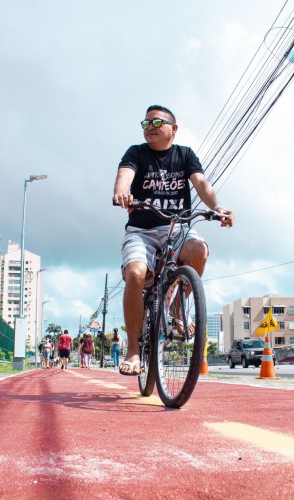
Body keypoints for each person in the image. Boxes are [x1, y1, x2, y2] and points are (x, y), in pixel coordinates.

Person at [113, 104, 235, 376]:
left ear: (173, 129)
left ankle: (179, 308)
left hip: (177, 228)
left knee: (199, 249)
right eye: (145, 125)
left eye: (156, 123)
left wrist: (218, 208)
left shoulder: (185, 155)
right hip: (141, 232)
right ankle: (133, 349)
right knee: (135, 273)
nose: (149, 129)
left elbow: (202, 184)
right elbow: (124, 176)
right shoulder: (136, 153)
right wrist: (122, 193)